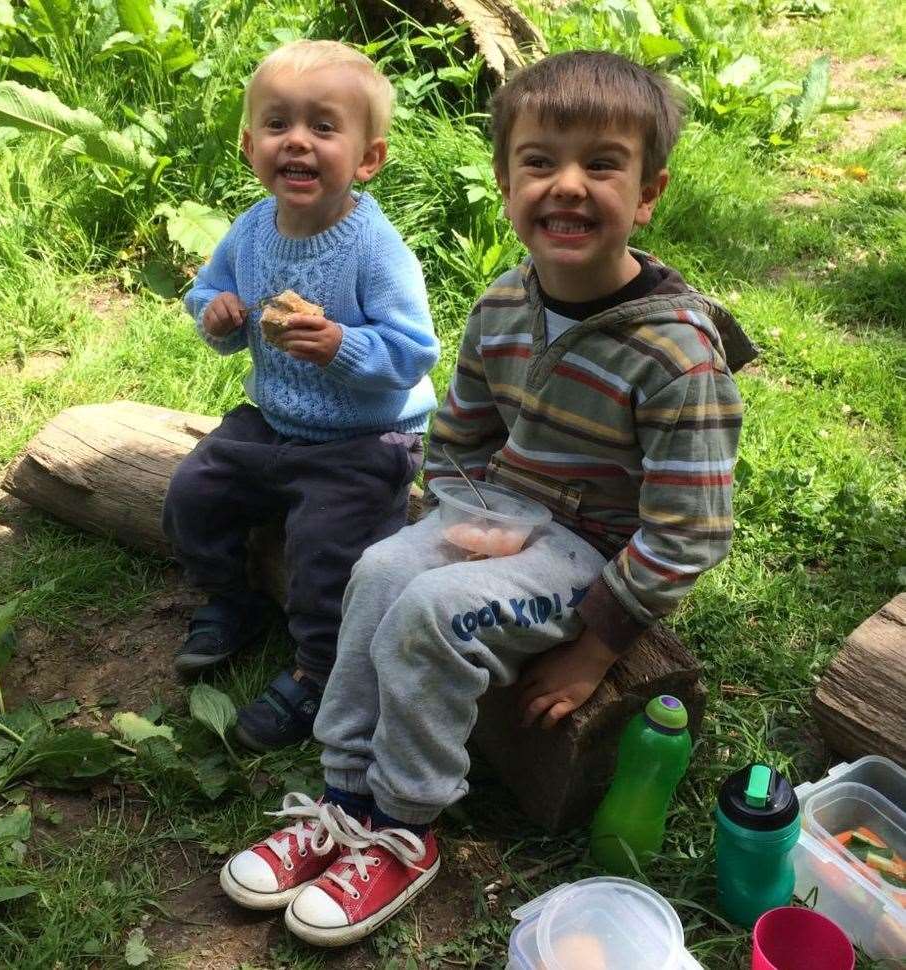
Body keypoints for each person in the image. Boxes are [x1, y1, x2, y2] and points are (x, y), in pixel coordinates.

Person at [219, 50, 757, 945]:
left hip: (592, 550)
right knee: (382, 567)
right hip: (503, 517)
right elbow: (462, 434)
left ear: (650, 191)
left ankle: (405, 826)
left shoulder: (676, 355)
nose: (568, 187)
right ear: (507, 183)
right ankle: (343, 792)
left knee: (432, 611)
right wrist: (452, 517)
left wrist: (596, 646)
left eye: (603, 165)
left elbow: (689, 527)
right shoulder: (505, 303)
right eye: (540, 163)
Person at [162, 40, 440, 751]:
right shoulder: (253, 230)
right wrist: (215, 313)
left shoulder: (374, 249)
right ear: (251, 145)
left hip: (363, 437)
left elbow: (413, 353)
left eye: (323, 127)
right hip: (273, 419)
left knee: (326, 551)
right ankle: (234, 599)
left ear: (367, 158)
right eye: (279, 124)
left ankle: (318, 670)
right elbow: (208, 291)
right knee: (192, 492)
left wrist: (344, 346)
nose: (298, 142)